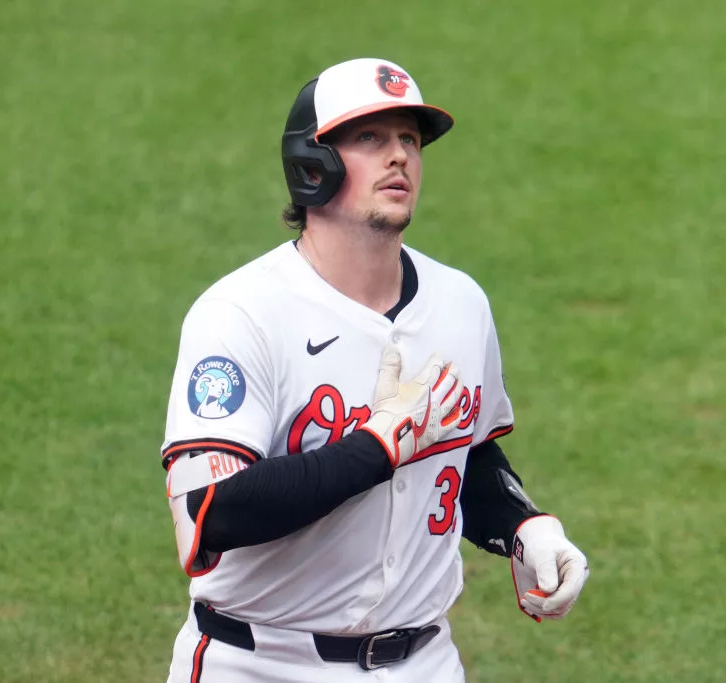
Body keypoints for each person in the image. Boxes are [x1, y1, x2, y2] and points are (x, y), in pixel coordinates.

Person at [160, 57, 589, 683]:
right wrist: (375, 447)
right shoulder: (240, 313)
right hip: (259, 663)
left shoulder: (460, 304)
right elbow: (211, 513)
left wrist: (524, 525)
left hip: (424, 662)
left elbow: (463, 456)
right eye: (371, 138)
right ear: (313, 164)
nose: (400, 158)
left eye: (410, 140)